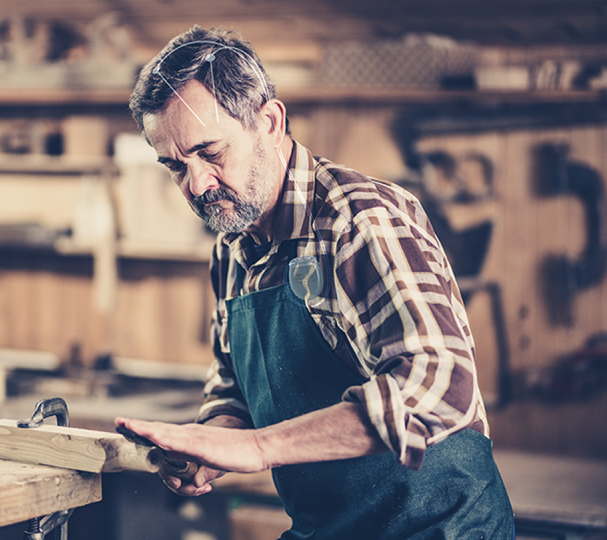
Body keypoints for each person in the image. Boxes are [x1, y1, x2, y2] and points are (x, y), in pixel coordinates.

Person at [115, 26, 514, 539]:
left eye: (210, 153)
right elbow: (234, 385)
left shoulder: (359, 220)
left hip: (436, 527)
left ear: (270, 122)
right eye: (175, 166)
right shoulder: (233, 247)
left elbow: (441, 387)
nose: (195, 185)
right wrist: (209, 444)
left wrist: (255, 448)